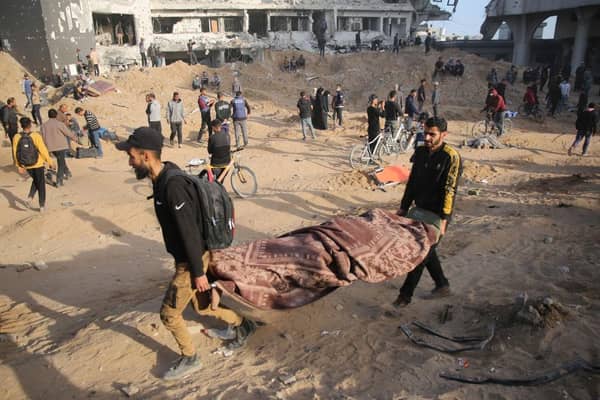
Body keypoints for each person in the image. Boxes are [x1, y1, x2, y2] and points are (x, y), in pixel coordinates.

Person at [115, 127, 255, 380]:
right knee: (202, 308)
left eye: (132, 155)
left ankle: (190, 358)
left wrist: (199, 273)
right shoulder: (163, 178)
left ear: (146, 156)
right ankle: (243, 325)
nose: (129, 161)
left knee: (169, 314)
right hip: (192, 259)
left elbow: (189, 232)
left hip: (191, 262)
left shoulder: (173, 186)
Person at [392, 116, 461, 307]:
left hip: (437, 214)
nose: (428, 138)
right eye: (425, 133)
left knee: (420, 254)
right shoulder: (421, 152)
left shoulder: (451, 156)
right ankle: (442, 285)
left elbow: (450, 189)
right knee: (428, 252)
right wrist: (404, 206)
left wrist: (445, 219)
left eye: (432, 134)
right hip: (418, 210)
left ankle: (404, 297)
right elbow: (412, 181)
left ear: (444, 135)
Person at [13, 117, 55, 212]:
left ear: (21, 125)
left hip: (26, 165)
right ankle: (41, 206)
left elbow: (15, 152)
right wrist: (50, 161)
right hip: (38, 163)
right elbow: (43, 150)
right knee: (41, 183)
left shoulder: (16, 136)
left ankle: (30, 197)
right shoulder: (35, 135)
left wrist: (19, 166)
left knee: (36, 180)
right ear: (30, 125)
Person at [41, 109, 79, 186]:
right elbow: (68, 133)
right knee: (60, 163)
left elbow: (43, 137)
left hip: (50, 147)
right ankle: (59, 180)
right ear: (56, 115)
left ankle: (67, 172)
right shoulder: (59, 124)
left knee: (60, 160)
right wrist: (75, 138)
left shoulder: (43, 125)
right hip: (60, 146)